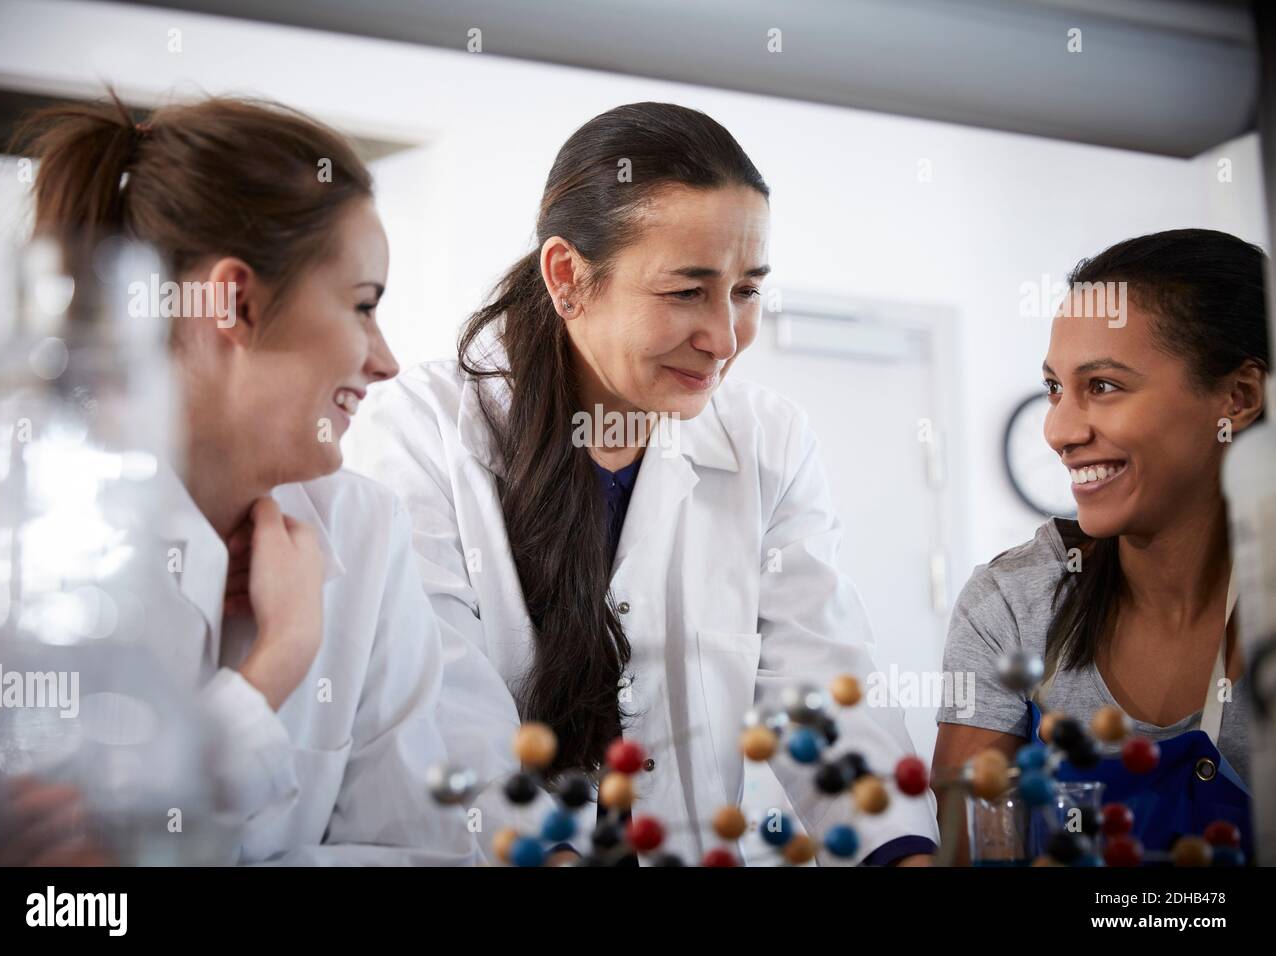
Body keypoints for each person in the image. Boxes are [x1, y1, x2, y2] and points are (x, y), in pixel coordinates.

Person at [365, 102, 938, 865]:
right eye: (686, 292)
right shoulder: (419, 430)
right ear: (568, 277)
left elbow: (822, 679)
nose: (724, 339)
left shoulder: (769, 438)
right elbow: (442, 704)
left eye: (746, 291)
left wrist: (899, 851)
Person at [0, 92, 517, 864]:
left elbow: (425, 849)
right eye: (362, 306)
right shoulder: (16, 540)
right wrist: (278, 662)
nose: (386, 359)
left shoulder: (362, 529)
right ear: (235, 301)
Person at [933, 229, 1267, 860]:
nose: (1058, 430)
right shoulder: (1013, 603)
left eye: (1104, 386)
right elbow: (970, 845)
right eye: (1055, 387)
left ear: (1238, 398)